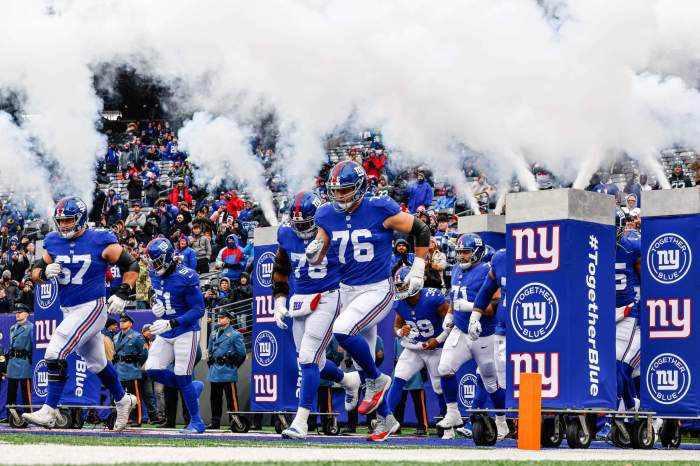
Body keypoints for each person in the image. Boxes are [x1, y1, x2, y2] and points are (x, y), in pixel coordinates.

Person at [305, 161, 431, 441]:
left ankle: (378, 379)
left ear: (360, 187)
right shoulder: (326, 213)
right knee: (361, 363)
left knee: (342, 331)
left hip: (376, 289)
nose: (340, 196)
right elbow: (320, 246)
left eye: (346, 190)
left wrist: (419, 267)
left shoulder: (379, 207)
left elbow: (421, 229)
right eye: (335, 191)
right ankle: (386, 420)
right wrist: (314, 253)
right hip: (347, 289)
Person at [24, 196, 139, 429]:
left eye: (69, 220)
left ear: (81, 218)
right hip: (69, 310)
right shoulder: (53, 241)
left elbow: (132, 264)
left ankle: (50, 409)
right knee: (98, 363)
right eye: (61, 221)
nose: (64, 225)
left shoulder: (99, 239)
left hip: (92, 306)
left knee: (55, 351)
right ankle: (123, 399)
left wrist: (123, 292)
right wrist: (44, 273)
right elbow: (34, 272)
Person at [273, 191, 360, 439]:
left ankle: (301, 422)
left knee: (309, 358)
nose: (301, 228)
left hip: (329, 296)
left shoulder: (332, 230)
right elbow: (280, 270)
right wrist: (279, 302)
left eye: (306, 223)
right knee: (315, 363)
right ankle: (347, 380)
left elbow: (352, 266)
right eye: (297, 223)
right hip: (300, 299)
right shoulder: (286, 234)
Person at [436, 233, 507, 439]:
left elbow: (495, 304)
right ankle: (453, 413)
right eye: (459, 252)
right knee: (445, 368)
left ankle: (501, 422)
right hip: (460, 330)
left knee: (491, 383)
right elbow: (454, 296)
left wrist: (472, 308)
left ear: (477, 252)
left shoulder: (487, 270)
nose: (462, 257)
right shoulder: (457, 269)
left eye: (466, 252)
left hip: (484, 334)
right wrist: (450, 314)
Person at [143, 237, 207, 434]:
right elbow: (155, 293)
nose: (155, 266)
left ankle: (197, 422)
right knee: (152, 369)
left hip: (186, 331)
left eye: (158, 261)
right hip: (166, 330)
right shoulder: (154, 273)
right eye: (152, 262)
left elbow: (199, 310)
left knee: (182, 374)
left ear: (169, 257)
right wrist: (155, 303)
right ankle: (189, 388)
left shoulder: (187, 277)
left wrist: (171, 321)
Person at [386, 268, 451, 434]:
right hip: (414, 347)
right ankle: (385, 420)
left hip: (435, 348)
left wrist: (438, 340)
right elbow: (397, 326)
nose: (400, 289)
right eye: (398, 285)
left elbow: (452, 321)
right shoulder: (399, 302)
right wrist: (402, 332)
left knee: (439, 387)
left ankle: (447, 425)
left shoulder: (432, 297)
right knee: (398, 379)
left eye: (403, 285)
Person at [471, 248, 508, 438]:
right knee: (494, 377)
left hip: (534, 323)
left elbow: (493, 304)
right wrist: (474, 315)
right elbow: (487, 290)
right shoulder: (501, 259)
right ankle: (499, 419)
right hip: (501, 330)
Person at [613, 210, 642, 418]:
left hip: (626, 314)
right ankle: (626, 409)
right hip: (599, 314)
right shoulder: (590, 246)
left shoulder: (631, 248)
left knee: (617, 367)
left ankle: (626, 411)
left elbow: (647, 280)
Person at [206, 310, 246, 430]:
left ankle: (235, 421)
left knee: (231, 399)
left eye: (222, 317)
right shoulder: (213, 334)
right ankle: (215, 421)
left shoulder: (235, 334)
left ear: (229, 319)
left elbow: (241, 354)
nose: (219, 319)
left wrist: (233, 365)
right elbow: (210, 351)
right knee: (215, 398)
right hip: (214, 370)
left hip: (227, 370)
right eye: (219, 317)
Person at [113, 313, 148, 426]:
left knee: (135, 396)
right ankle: (122, 418)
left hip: (131, 369)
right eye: (121, 321)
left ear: (130, 323)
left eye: (125, 321)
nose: (122, 323)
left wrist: (136, 364)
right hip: (118, 369)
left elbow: (144, 354)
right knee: (119, 396)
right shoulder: (116, 336)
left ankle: (137, 419)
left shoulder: (137, 336)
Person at [6, 304, 34, 419]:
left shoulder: (31, 328)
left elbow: (34, 347)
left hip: (24, 362)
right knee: (11, 392)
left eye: (20, 312)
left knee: (25, 392)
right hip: (13, 362)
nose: (17, 314)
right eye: (16, 312)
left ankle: (30, 414)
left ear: (26, 314)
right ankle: (10, 415)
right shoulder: (13, 328)